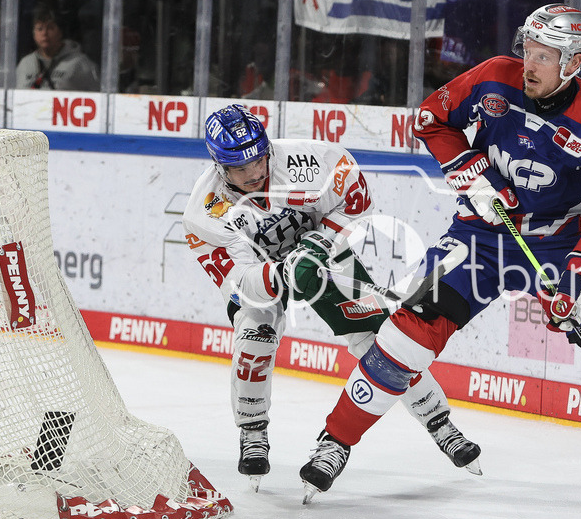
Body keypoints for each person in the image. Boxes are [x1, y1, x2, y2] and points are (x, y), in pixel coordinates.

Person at [298, 4, 581, 513]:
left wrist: (580, 273)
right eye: (529, 50)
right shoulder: (495, 78)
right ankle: (335, 442)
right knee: (411, 328)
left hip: (560, 247)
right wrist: (474, 177)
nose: (530, 64)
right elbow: (432, 119)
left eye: (545, 56)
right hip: (481, 235)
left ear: (574, 62)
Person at [181, 104, 482, 491]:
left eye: (258, 160)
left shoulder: (313, 160)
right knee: (255, 336)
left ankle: (439, 422)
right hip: (262, 272)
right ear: (220, 166)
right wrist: (283, 271)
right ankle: (252, 430)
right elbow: (241, 281)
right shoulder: (202, 214)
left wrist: (319, 244)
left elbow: (356, 201)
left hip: (322, 252)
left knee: (378, 338)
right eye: (241, 169)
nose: (255, 173)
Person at [15, 2, 99, 90]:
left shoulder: (80, 64)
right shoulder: (25, 64)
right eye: (40, 29)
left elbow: (96, 96)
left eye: (50, 28)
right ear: (33, 34)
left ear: (60, 32)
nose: (44, 33)